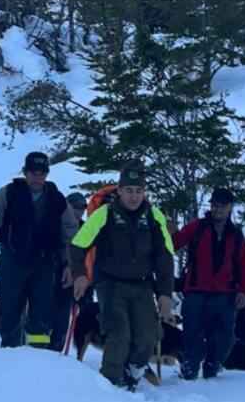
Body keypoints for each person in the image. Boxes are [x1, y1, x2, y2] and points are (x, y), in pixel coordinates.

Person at [70, 163, 174, 390]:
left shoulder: (154, 217)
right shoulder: (104, 215)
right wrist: (79, 275)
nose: (134, 196)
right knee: (118, 333)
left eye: (138, 191)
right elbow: (78, 246)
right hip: (110, 284)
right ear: (119, 190)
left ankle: (134, 371)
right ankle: (110, 384)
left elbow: (165, 257)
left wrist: (166, 294)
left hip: (143, 285)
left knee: (148, 336)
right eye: (129, 190)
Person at [0, 152, 78, 348]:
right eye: (33, 172)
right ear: (25, 172)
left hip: (45, 265)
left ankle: (37, 356)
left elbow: (70, 232)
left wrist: (69, 264)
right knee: (9, 313)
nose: (37, 177)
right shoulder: (8, 192)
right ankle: (10, 352)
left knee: (42, 314)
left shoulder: (57, 199)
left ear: (47, 174)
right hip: (12, 262)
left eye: (41, 173)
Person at [173, 187, 245, 380]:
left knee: (223, 337)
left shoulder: (236, 234)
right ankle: (189, 370)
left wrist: (243, 291)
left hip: (224, 293)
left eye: (222, 206)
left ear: (230, 207)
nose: (218, 209)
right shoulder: (197, 227)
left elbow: (244, 265)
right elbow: (173, 244)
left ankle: (212, 367)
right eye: (215, 205)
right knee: (192, 333)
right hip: (195, 291)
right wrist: (169, 233)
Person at [49, 192, 88, 352]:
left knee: (62, 322)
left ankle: (56, 353)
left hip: (73, 284)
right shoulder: (55, 225)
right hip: (50, 279)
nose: (78, 211)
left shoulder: (87, 229)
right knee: (42, 319)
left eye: (82, 207)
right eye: (75, 207)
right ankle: (37, 350)